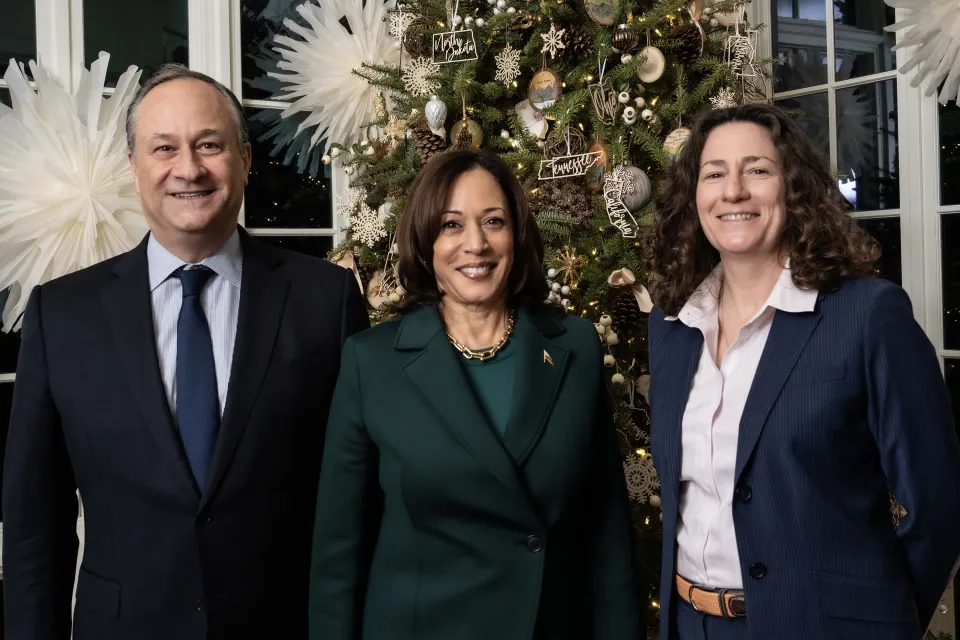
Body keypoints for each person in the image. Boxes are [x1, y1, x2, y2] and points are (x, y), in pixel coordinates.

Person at [2, 64, 369, 640]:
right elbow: (33, 525)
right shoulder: (61, 315)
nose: (189, 169)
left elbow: (358, 502)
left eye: (209, 145)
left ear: (245, 159)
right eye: (164, 148)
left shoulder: (326, 300)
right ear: (133, 166)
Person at [646, 102, 960, 640]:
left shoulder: (867, 315)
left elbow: (936, 507)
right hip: (691, 624)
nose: (734, 191)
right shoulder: (672, 324)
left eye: (758, 170)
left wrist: (876, 619)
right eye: (714, 173)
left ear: (793, 187)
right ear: (693, 196)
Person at [308, 149, 641, 640]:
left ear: (517, 234)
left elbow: (607, 531)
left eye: (493, 221)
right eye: (451, 225)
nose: (476, 244)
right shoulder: (372, 361)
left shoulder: (574, 345)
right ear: (425, 242)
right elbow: (339, 555)